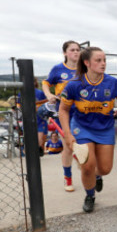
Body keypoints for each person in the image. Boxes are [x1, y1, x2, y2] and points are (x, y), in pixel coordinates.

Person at [58, 47, 117, 213]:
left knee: (105, 168)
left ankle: (97, 176)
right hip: (81, 128)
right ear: (87, 63)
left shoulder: (112, 83)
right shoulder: (73, 85)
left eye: (104, 60)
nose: (103, 64)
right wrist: (68, 134)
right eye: (98, 60)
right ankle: (90, 195)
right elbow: (63, 110)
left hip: (105, 128)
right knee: (87, 166)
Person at [42, 41, 81, 192]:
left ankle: (90, 170)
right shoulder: (58, 69)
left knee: (87, 144)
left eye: (78, 50)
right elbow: (45, 83)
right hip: (64, 113)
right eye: (72, 50)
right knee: (68, 146)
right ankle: (68, 178)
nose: (76, 52)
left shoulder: (84, 69)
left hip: (82, 113)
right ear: (65, 53)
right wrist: (48, 94)